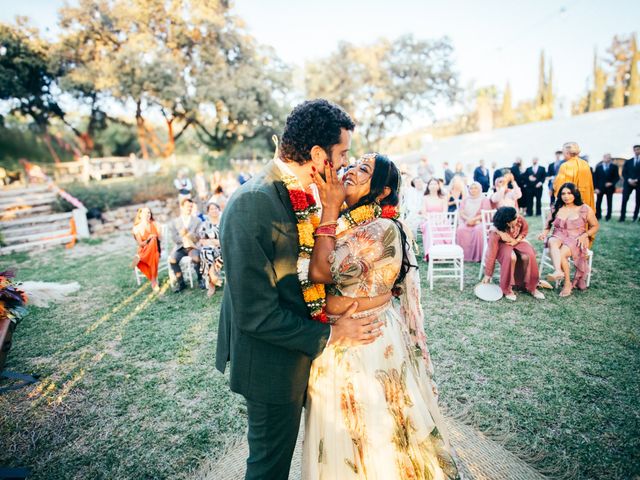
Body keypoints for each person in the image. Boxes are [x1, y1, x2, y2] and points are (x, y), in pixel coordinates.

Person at [215, 99, 382, 480]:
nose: (344, 164)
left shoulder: (305, 192)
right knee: (269, 467)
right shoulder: (253, 204)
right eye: (342, 154)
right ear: (318, 153)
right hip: (271, 366)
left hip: (299, 356)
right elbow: (255, 314)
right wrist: (332, 334)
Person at [303, 152, 462, 479]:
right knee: (346, 436)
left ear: (383, 191)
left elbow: (320, 271)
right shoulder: (349, 223)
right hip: (340, 339)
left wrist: (330, 208)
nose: (349, 172)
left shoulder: (381, 229)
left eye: (363, 169)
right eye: (352, 164)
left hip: (367, 344)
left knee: (379, 432)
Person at [539, 182, 599, 297]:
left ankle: (567, 283)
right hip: (559, 235)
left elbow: (595, 226)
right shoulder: (556, 207)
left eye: (569, 193)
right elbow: (548, 226)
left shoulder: (584, 209)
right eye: (563, 194)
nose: (566, 196)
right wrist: (544, 233)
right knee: (552, 241)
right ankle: (558, 271)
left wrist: (585, 235)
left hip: (576, 237)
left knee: (561, 253)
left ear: (575, 194)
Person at [482, 206, 544, 301]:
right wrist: (488, 274)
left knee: (528, 255)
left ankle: (531, 286)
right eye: (515, 218)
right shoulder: (495, 232)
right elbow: (491, 253)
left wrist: (517, 240)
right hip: (503, 245)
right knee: (511, 257)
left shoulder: (519, 218)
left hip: (517, 241)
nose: (518, 217)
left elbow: (524, 231)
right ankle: (507, 288)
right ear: (507, 222)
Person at [169, 198, 204, 292]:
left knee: (196, 258)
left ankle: (200, 279)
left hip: (192, 246)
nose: (189, 208)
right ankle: (181, 283)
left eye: (191, 206)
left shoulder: (197, 221)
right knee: (172, 260)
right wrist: (183, 237)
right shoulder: (174, 222)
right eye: (187, 206)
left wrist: (189, 235)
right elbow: (174, 238)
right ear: (182, 207)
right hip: (180, 247)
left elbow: (198, 236)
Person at [553, 142, 595, 211]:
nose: (563, 154)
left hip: (571, 203)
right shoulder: (585, 164)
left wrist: (554, 184)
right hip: (586, 200)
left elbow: (560, 187)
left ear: (567, 152)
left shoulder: (565, 166)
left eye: (563, 152)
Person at [457, 182, 492, 262]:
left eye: (476, 188)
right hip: (466, 221)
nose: (473, 190)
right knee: (460, 229)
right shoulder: (465, 200)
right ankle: (463, 256)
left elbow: (486, 213)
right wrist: (468, 220)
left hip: (480, 221)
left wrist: (474, 220)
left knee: (478, 230)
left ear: (480, 189)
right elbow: (461, 212)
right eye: (471, 188)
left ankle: (478, 256)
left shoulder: (484, 200)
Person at [131, 207, 161, 292]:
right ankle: (154, 282)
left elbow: (160, 238)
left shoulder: (154, 224)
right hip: (144, 249)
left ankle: (140, 258)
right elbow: (141, 244)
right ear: (140, 215)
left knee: (154, 240)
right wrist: (148, 239)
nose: (148, 214)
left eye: (149, 212)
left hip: (155, 248)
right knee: (153, 257)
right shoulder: (136, 228)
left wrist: (156, 233)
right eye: (145, 213)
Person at [197, 202, 224, 297]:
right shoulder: (205, 224)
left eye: (216, 208)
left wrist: (212, 241)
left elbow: (226, 239)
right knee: (206, 250)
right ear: (208, 212)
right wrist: (215, 241)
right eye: (211, 209)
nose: (214, 210)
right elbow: (202, 240)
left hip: (223, 250)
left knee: (206, 252)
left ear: (219, 210)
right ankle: (213, 277)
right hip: (209, 250)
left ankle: (212, 281)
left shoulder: (224, 222)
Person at [419, 178, 448, 260]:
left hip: (441, 220)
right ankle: (430, 253)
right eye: (431, 184)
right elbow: (423, 213)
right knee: (430, 225)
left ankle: (440, 253)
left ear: (439, 186)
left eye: (435, 184)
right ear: (428, 186)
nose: (433, 185)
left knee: (439, 225)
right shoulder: (425, 198)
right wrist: (431, 220)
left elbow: (445, 212)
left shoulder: (443, 198)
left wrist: (440, 220)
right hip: (428, 220)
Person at [593, 153, 620, 221]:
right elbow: (595, 178)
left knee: (609, 202)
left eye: (609, 158)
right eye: (606, 157)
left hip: (609, 188)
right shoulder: (598, 167)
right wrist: (595, 188)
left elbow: (617, 177)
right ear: (603, 158)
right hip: (600, 188)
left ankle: (608, 216)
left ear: (610, 159)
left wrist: (611, 183)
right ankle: (598, 215)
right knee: (598, 202)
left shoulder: (614, 167)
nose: (607, 159)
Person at [619, 145, 640, 222]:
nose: (637, 151)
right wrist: (629, 179)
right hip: (628, 183)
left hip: (639, 184)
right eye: (635, 150)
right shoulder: (628, 161)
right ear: (633, 151)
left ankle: (635, 218)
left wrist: (636, 180)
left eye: (638, 149)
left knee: (638, 201)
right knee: (624, 199)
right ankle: (622, 217)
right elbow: (624, 172)